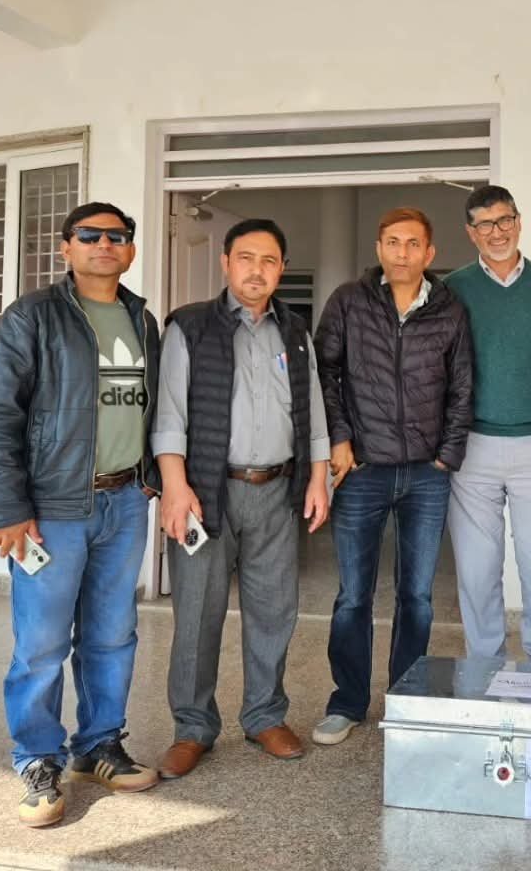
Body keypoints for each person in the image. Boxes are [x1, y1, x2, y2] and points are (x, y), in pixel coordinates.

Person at [0, 201, 162, 828]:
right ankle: (37, 758)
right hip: (52, 508)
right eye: (89, 235)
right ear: (66, 247)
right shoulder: (33, 315)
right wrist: (7, 507)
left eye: (117, 236)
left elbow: (152, 408)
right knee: (41, 643)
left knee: (113, 634)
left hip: (125, 501)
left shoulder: (141, 319)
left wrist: (153, 483)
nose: (104, 244)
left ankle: (99, 745)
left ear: (130, 249)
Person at [152, 218, 331, 777]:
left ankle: (264, 716)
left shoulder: (295, 332)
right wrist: (174, 486)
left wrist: (319, 477)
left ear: (282, 269)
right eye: (246, 258)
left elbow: (314, 410)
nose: (257, 270)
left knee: (274, 610)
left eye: (269, 260)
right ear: (225, 263)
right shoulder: (190, 326)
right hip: (207, 492)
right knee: (197, 614)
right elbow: (169, 415)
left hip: (277, 490)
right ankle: (192, 727)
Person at [311, 207, 473, 746]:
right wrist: (339, 438)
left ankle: (407, 699)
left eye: (413, 244)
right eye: (393, 242)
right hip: (362, 471)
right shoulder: (349, 302)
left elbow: (462, 385)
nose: (402, 253)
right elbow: (325, 372)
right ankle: (347, 702)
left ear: (430, 253)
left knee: (417, 596)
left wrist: (447, 455)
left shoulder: (449, 309)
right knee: (353, 596)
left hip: (427, 474)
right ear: (379, 248)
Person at [445, 185, 531, 663]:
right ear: (471, 233)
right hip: (473, 447)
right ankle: (485, 665)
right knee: (477, 570)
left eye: (504, 220)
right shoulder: (455, 288)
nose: (497, 232)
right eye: (485, 224)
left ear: (519, 222)